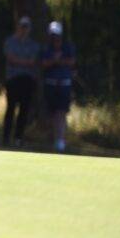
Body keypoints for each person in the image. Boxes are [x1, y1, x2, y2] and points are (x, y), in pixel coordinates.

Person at [2, 15, 39, 146]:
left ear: (29, 29)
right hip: (13, 79)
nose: (24, 29)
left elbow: (33, 62)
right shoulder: (10, 41)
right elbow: (11, 59)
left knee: (24, 110)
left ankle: (18, 138)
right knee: (10, 108)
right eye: (22, 26)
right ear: (18, 27)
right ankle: (6, 137)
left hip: (27, 80)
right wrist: (25, 62)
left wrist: (19, 61)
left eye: (26, 27)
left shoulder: (33, 45)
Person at [41, 20, 76, 152]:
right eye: (52, 34)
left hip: (64, 84)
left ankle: (60, 141)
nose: (54, 37)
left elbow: (71, 62)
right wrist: (56, 61)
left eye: (56, 34)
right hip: (50, 84)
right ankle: (54, 139)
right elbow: (44, 63)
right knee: (51, 112)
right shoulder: (46, 48)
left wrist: (57, 61)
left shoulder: (68, 46)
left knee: (61, 112)